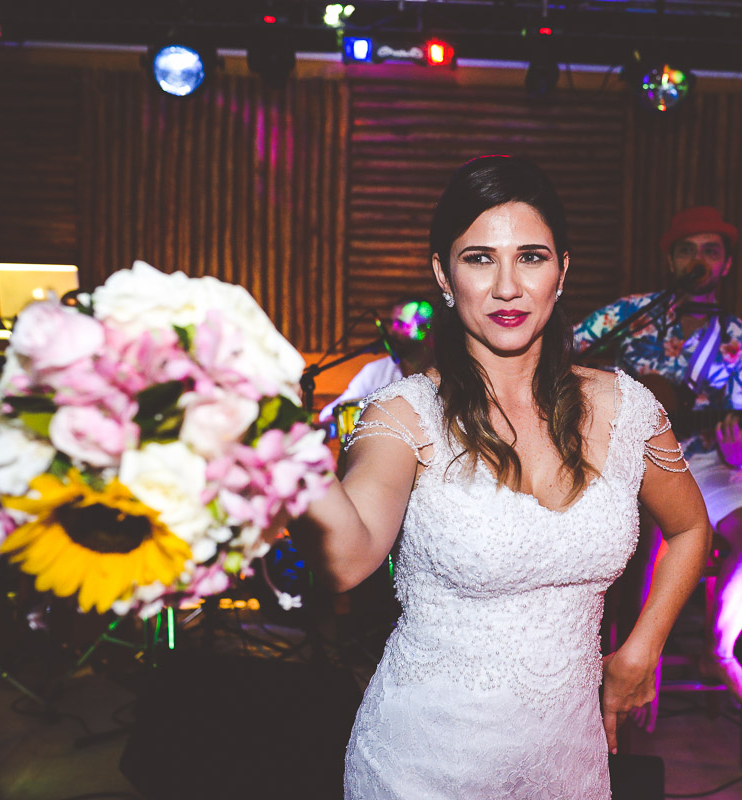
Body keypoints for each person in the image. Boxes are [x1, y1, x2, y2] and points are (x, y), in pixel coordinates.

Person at [289, 155, 711, 798]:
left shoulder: (626, 409)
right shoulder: (404, 416)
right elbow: (345, 563)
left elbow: (690, 529)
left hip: (569, 764)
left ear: (562, 270)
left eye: (531, 257)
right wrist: (283, 446)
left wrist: (642, 649)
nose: (507, 287)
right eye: (480, 258)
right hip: (421, 767)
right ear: (444, 274)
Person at [574, 206, 742, 713]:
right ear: (671, 260)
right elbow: (558, 351)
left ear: (726, 264)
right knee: (646, 541)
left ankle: (718, 651)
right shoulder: (631, 314)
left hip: (705, 462)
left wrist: (740, 447)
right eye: (687, 250)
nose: (698, 259)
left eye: (711, 250)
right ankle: (627, 665)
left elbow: (737, 426)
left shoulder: (741, 340)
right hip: (624, 462)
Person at [316, 297, 436, 425]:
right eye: (393, 323)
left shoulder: (443, 374)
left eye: (400, 324)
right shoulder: (376, 371)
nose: (392, 331)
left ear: (425, 330)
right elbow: (330, 413)